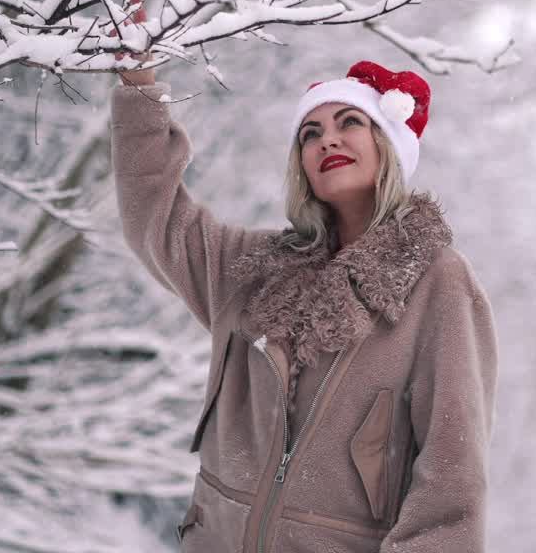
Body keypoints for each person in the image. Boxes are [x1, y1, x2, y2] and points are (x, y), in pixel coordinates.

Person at [111, 60, 497, 553]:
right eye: (310, 133)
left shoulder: (435, 280)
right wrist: (139, 88)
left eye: (350, 123)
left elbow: (452, 475)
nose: (327, 140)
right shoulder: (256, 272)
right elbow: (154, 214)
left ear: (389, 145)